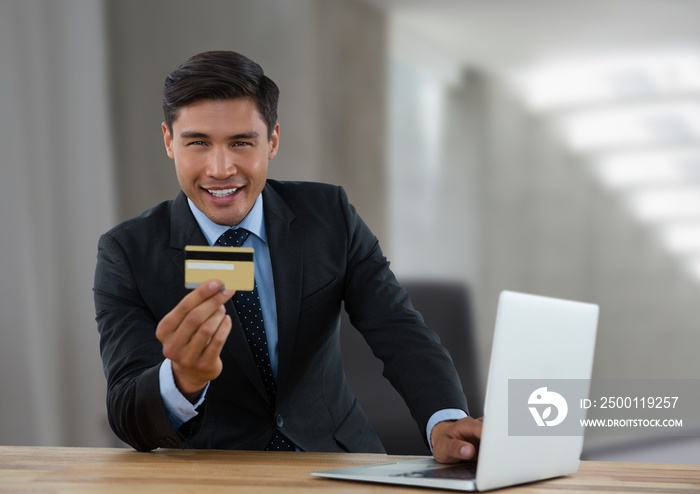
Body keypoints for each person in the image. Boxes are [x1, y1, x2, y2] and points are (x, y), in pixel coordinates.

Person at [94, 50, 481, 462]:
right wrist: (181, 381)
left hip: (336, 462)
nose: (220, 168)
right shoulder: (127, 253)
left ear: (272, 140)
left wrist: (445, 419)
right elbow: (125, 410)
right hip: (212, 477)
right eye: (198, 144)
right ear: (170, 142)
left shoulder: (330, 215)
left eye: (241, 142)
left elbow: (398, 328)